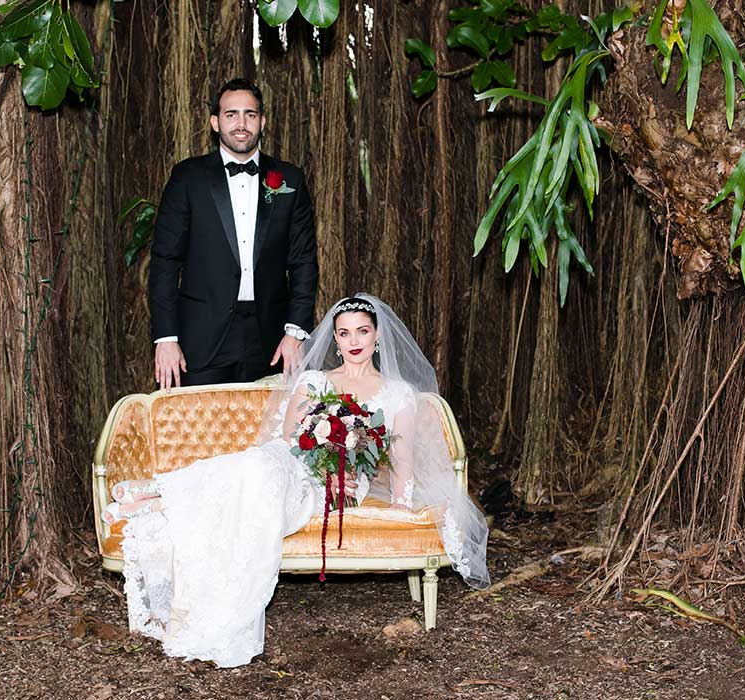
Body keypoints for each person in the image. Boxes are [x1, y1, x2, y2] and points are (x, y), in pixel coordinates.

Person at [104, 294, 490, 667]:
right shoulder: (314, 381)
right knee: (255, 466)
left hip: (336, 488)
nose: (353, 341)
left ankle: (157, 498)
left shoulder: (398, 394)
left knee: (255, 477)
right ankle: (158, 493)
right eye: (344, 333)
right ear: (335, 340)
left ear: (377, 337)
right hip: (291, 465)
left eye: (362, 331)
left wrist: (400, 505)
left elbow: (402, 462)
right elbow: (289, 441)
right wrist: (320, 456)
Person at [148, 77, 317, 388]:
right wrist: (166, 337)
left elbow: (304, 260)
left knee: (268, 433)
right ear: (215, 122)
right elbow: (165, 261)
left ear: (262, 121)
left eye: (250, 115)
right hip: (199, 340)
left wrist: (294, 332)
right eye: (231, 115)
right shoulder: (188, 177)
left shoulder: (290, 179)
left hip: (271, 340)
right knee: (200, 432)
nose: (242, 124)